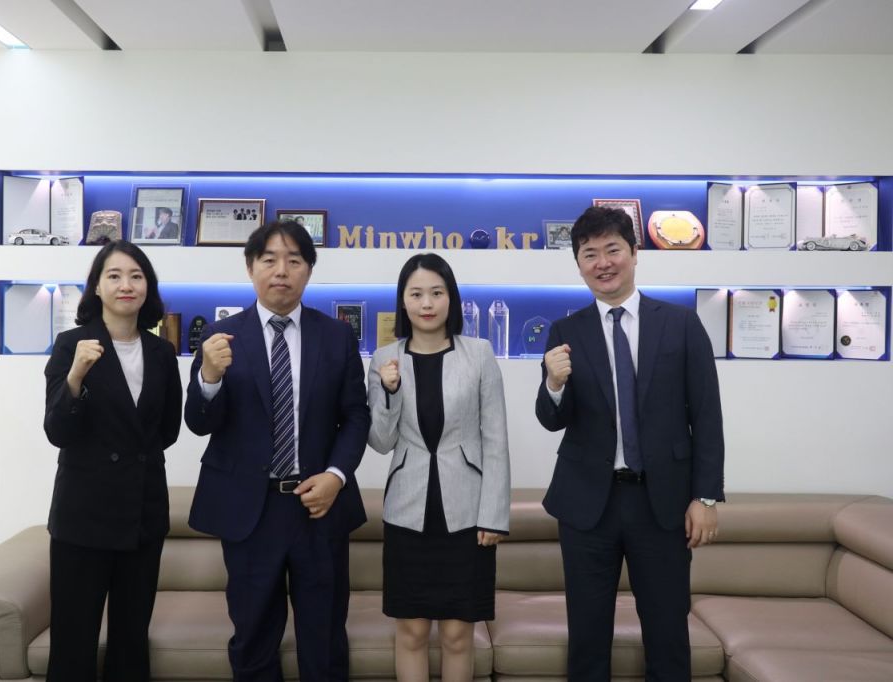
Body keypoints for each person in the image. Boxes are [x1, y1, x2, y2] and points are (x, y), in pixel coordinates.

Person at [535, 206, 725, 681]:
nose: (603, 262)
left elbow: (706, 416)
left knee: (667, 630)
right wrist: (553, 383)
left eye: (612, 249)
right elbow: (552, 419)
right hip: (587, 504)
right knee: (587, 633)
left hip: (662, 502)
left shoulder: (680, 324)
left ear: (635, 253)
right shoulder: (566, 331)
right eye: (589, 254)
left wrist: (705, 497)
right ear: (579, 264)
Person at [186, 220, 370, 681]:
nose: (281, 270)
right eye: (269, 260)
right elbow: (199, 422)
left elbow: (356, 416)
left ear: (309, 269)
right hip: (250, 510)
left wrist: (336, 476)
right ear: (251, 268)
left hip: (318, 506)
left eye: (294, 260)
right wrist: (209, 377)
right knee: (253, 638)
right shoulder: (220, 337)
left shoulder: (336, 336)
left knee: (324, 639)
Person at [43, 240, 183, 681]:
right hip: (83, 516)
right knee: (73, 639)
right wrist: (76, 377)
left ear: (148, 288)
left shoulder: (162, 352)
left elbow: (168, 430)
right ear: (97, 287)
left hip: (142, 513)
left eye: (136, 276)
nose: (127, 285)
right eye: (115, 276)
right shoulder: (71, 345)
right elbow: (57, 431)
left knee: (130, 637)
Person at [368, 253, 510, 681]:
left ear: (451, 298)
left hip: (467, 514)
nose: (426, 303)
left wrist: (494, 515)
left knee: (457, 634)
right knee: (411, 631)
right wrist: (389, 391)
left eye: (436, 292)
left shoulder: (479, 354)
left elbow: (495, 439)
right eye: (416, 294)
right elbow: (380, 441)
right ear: (403, 301)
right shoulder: (384, 358)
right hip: (407, 511)